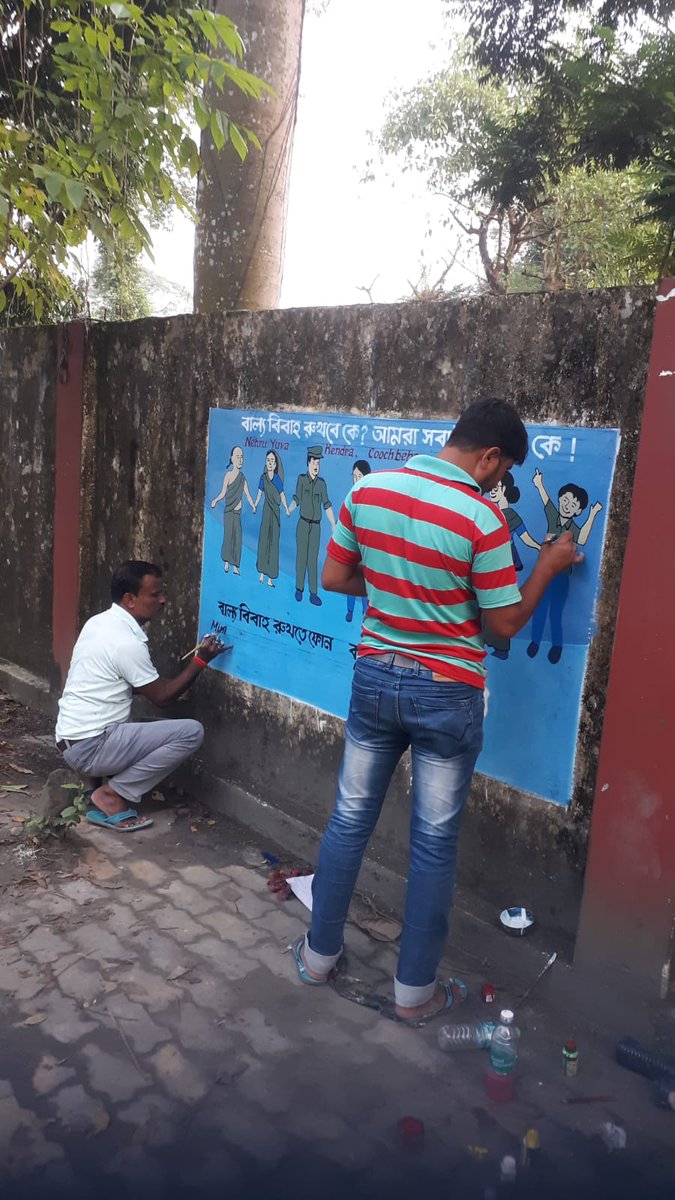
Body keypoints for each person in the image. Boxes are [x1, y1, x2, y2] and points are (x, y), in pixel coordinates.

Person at [291, 399, 582, 1025]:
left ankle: (318, 958)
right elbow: (503, 621)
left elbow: (335, 577)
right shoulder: (481, 520)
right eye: (500, 475)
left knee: (347, 822)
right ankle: (414, 996)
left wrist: (402, 589)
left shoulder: (369, 494)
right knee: (431, 845)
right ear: (489, 458)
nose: (497, 486)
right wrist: (549, 565)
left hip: (373, 680)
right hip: (446, 693)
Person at [55, 560, 228, 832]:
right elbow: (162, 697)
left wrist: (172, 682)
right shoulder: (127, 643)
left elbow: (132, 684)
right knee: (190, 732)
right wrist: (201, 661)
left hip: (70, 738)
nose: (162, 600)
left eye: (162, 593)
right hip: (90, 746)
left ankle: (93, 784)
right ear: (130, 600)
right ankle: (112, 794)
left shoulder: (99, 622)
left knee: (140, 723)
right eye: (155, 594)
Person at [527, 469, 603, 664]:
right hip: (544, 574)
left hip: (561, 577)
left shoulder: (574, 528)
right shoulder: (553, 516)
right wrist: (539, 484)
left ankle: (557, 646)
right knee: (540, 609)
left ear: (578, 511)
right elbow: (546, 500)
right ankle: (535, 642)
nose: (567, 506)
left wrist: (593, 514)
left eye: (573, 505)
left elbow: (584, 536)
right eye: (565, 501)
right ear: (560, 499)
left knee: (555, 613)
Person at [287, 445, 336, 606]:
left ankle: (313, 593)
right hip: (303, 523)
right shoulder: (301, 479)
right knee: (301, 557)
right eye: (314, 462)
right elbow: (297, 499)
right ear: (308, 463)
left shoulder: (322, 484)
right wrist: (289, 509)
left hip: (316, 526)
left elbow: (327, 505)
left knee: (312, 560)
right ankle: (299, 589)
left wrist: (333, 524)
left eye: (318, 463)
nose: (316, 466)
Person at [210, 446, 256, 575]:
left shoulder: (242, 478)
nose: (240, 460)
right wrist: (215, 500)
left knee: (238, 538)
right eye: (237, 456)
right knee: (228, 536)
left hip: (238, 513)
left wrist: (253, 505)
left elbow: (247, 494)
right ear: (232, 458)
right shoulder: (228, 476)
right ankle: (226, 561)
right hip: (229, 511)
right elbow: (223, 492)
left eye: (241, 457)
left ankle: (236, 565)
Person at [252, 450, 290, 587]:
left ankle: (270, 577)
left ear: (275, 465)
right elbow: (259, 494)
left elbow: (282, 495)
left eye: (272, 461)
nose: (269, 463)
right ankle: (261, 573)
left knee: (273, 544)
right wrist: (255, 505)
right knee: (264, 542)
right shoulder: (263, 478)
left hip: (275, 513)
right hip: (266, 512)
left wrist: (286, 508)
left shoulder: (278, 480)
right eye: (268, 460)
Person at [345, 460, 371, 623]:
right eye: (354, 476)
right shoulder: (351, 498)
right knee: (351, 585)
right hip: (353, 550)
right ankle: (349, 611)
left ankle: (365, 613)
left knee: (365, 587)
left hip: (366, 552)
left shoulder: (371, 499)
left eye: (359, 476)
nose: (356, 480)